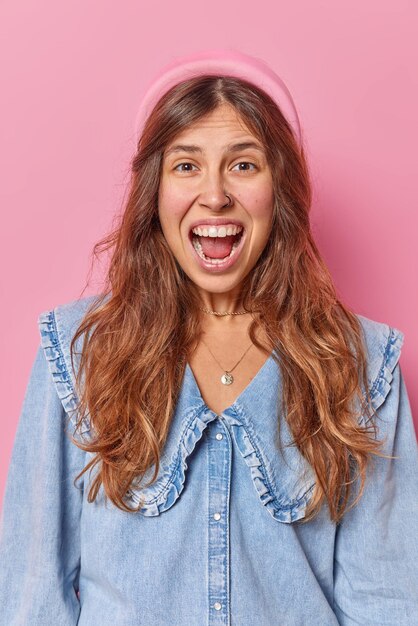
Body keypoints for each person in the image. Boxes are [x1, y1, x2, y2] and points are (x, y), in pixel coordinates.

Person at [0, 49, 417, 626]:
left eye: (244, 165)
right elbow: (32, 597)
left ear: (281, 189)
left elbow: (389, 604)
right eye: (187, 165)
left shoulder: (362, 364)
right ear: (156, 190)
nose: (216, 194)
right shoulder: (76, 354)